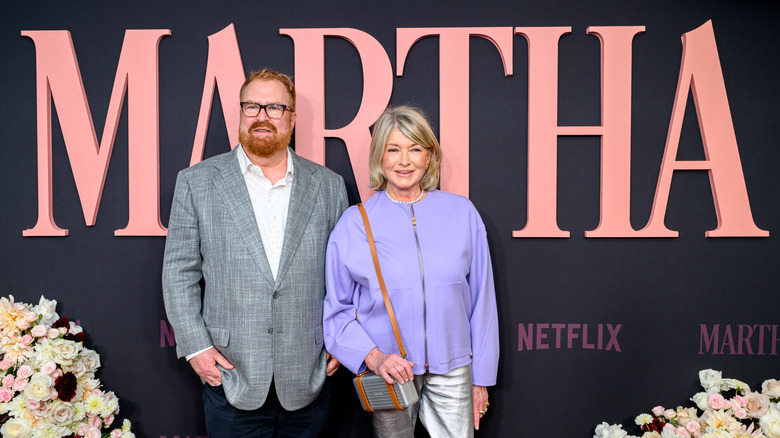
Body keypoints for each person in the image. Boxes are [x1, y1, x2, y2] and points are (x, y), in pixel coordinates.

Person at [162, 68, 348, 438]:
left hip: (309, 378)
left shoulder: (329, 186)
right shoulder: (197, 182)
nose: (262, 116)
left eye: (275, 107)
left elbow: (345, 275)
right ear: (240, 114)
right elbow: (179, 272)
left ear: (292, 118)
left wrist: (345, 339)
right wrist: (196, 347)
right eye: (252, 106)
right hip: (231, 378)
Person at [323, 106, 499, 437]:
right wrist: (374, 359)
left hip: (454, 369)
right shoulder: (355, 224)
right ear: (379, 157)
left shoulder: (462, 214)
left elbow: (482, 302)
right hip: (390, 371)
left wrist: (481, 378)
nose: (405, 161)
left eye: (415, 149)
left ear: (430, 156)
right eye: (393, 149)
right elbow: (336, 313)